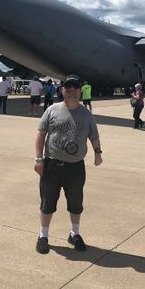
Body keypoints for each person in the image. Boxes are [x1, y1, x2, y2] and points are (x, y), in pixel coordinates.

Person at [34, 74, 103, 254]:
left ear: (80, 90)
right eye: (68, 86)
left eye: (75, 87)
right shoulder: (52, 110)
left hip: (75, 167)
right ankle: (43, 236)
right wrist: (38, 159)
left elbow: (94, 136)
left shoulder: (86, 114)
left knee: (76, 203)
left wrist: (98, 153)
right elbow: (40, 134)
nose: (72, 89)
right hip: (51, 166)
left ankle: (74, 234)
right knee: (47, 202)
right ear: (62, 90)